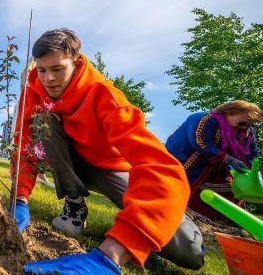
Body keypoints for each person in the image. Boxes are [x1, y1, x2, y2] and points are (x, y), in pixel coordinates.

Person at [13, 29, 204, 274]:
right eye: (41, 70)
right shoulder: (34, 91)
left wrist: (112, 254)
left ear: (76, 62)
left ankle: (192, 232)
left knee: (190, 251)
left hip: (111, 168)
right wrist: (20, 197)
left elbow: (162, 169)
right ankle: (74, 205)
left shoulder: (105, 96)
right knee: (43, 121)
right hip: (71, 163)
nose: (48, 78)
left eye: (57, 69)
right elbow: (24, 142)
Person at [166, 100, 261, 222]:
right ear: (228, 113)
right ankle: (178, 220)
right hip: (186, 161)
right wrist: (228, 159)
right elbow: (201, 143)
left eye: (249, 125)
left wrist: (253, 171)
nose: (244, 128)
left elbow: (252, 154)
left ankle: (226, 224)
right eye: (241, 123)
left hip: (215, 167)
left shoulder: (247, 133)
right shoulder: (204, 119)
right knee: (179, 190)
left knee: (230, 190)